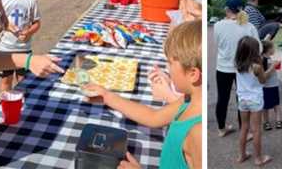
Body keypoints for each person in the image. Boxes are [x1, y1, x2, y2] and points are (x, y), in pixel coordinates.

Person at [83, 20, 202, 169]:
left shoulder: (199, 134)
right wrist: (107, 97)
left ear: (193, 74)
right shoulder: (188, 100)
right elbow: (154, 117)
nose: (167, 68)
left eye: (170, 63)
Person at [214, 0, 259, 137]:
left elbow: (218, 44)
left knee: (222, 98)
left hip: (223, 67)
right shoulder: (249, 27)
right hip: (242, 68)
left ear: (227, 9)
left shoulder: (218, 25)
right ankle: (244, 130)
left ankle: (221, 128)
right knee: (242, 99)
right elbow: (259, 47)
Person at [235, 36, 273, 166]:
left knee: (244, 127)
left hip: (242, 99)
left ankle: (242, 155)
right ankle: (258, 158)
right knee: (256, 130)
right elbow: (263, 80)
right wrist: (272, 68)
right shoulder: (256, 66)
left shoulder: (237, 64)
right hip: (255, 100)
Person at [260, 40, 282, 130]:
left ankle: (273, 121)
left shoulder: (267, 59)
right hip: (268, 86)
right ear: (269, 49)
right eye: (273, 47)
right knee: (271, 105)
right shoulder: (264, 60)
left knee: (271, 104)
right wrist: (273, 66)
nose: (274, 49)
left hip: (271, 86)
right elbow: (265, 75)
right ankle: (269, 121)